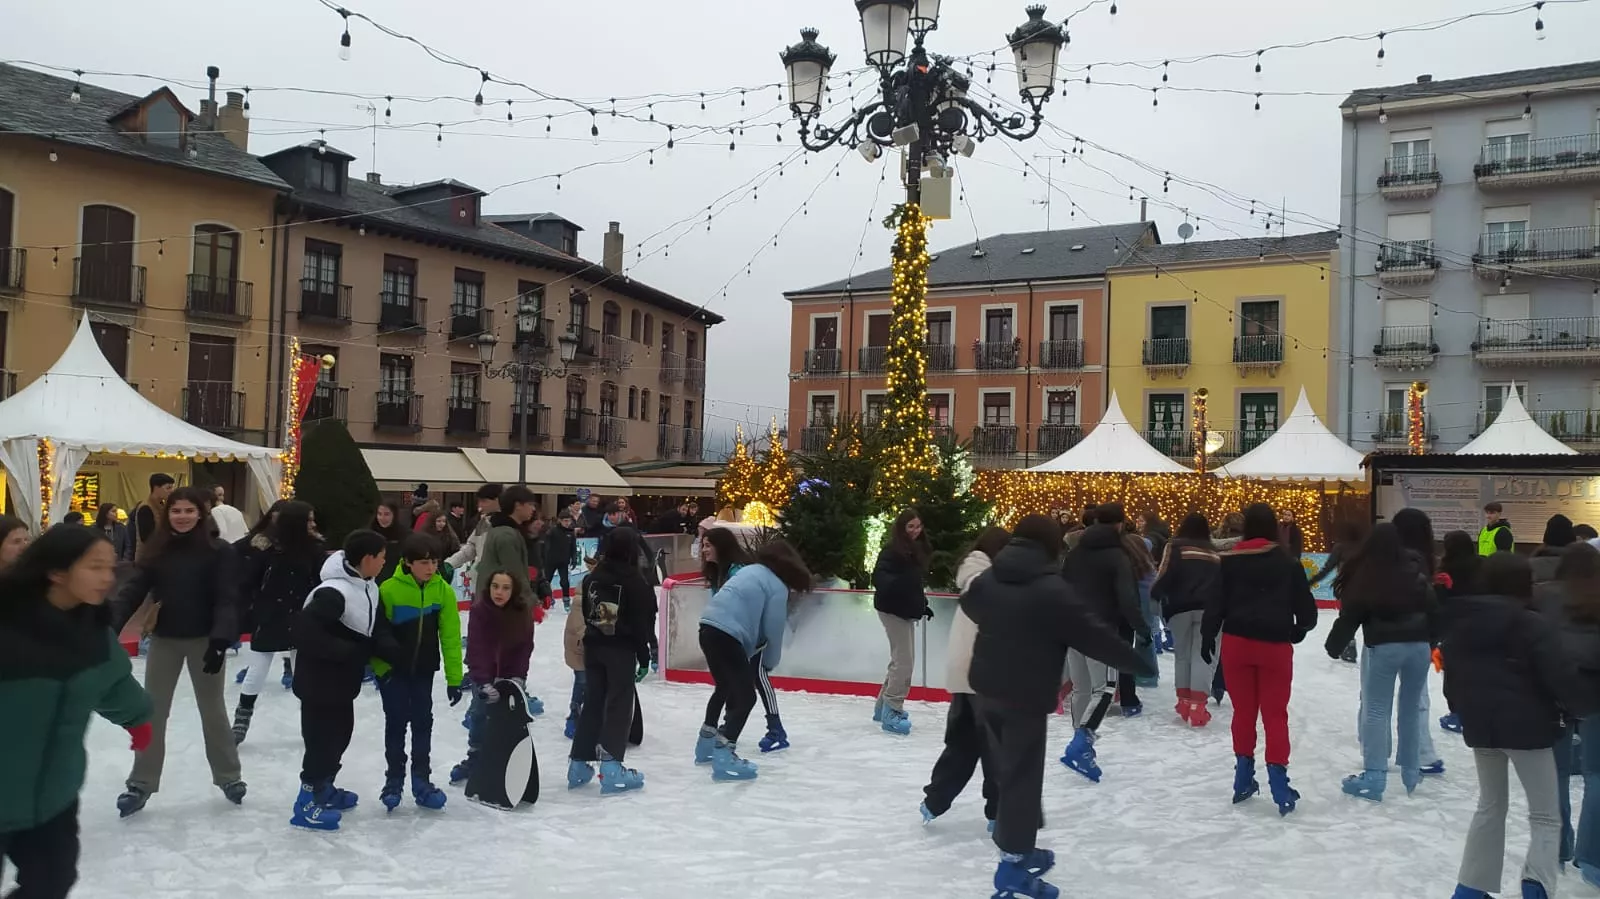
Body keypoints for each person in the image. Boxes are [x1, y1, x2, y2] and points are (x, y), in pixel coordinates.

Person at [962, 514, 1154, 899]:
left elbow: (970, 605)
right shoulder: (1050, 588)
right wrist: (1138, 661)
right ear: (1050, 546)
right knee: (1021, 779)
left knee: (1009, 774)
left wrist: (1006, 625)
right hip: (1024, 694)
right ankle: (1013, 868)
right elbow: (1094, 635)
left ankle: (1020, 847)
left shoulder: (992, 576)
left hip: (986, 688)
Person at [0, 526, 153, 898]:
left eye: (110, 567)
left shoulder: (93, 629)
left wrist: (138, 717)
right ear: (56, 571)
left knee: (53, 881)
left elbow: (113, 681)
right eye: (95, 567)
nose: (108, 578)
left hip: (52, 794)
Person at [1444, 552, 1588, 899]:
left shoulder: (1462, 621)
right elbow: (1559, 676)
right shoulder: (1531, 623)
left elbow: (1453, 680)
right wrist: (1577, 706)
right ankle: (1536, 888)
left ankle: (1469, 890)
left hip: (1483, 726)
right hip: (1530, 729)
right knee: (1545, 815)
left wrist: (1464, 710)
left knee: (1490, 805)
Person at [108, 486, 243, 817]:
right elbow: (133, 590)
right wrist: (110, 624)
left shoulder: (219, 551)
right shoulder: (158, 551)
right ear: (168, 515)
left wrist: (220, 639)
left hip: (205, 641)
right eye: (176, 511)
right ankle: (141, 782)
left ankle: (229, 776)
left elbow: (227, 597)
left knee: (212, 710)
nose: (182, 517)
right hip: (166, 639)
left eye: (189, 510)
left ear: (201, 514)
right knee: (152, 711)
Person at [1205, 502, 1317, 815]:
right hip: (1274, 646)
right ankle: (1279, 781)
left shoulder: (1229, 562)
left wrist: (1207, 636)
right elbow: (1306, 609)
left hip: (1237, 642)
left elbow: (1215, 604)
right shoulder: (1287, 562)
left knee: (1243, 712)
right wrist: (1300, 629)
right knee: (1275, 714)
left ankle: (1243, 775)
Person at [290, 530, 400, 831]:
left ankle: (324, 787)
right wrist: (348, 652)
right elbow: (303, 631)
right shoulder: (333, 592)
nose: (384, 563)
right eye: (382, 558)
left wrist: (393, 652)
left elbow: (375, 628)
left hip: (341, 683)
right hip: (318, 683)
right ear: (367, 559)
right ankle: (305, 802)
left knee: (341, 735)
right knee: (320, 741)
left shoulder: (367, 587)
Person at [1324, 521, 1437, 801]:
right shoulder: (1415, 569)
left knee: (1376, 710)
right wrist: (1431, 641)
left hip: (1385, 648)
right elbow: (1434, 607)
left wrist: (1333, 646)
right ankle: (1411, 771)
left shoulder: (1368, 574)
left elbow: (1351, 614)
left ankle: (1375, 776)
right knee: (1410, 709)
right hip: (1418, 647)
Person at [696, 539, 811, 782]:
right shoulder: (777, 586)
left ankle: (705, 745)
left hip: (707, 627)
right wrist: (770, 662)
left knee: (725, 687)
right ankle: (725, 754)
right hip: (728, 634)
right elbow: (773, 629)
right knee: (746, 696)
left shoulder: (749, 571)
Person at [920, 525, 1009, 828]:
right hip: (984, 674)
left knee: (964, 742)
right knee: (996, 747)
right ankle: (998, 812)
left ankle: (934, 801)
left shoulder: (979, 573)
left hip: (967, 673)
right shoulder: (983, 576)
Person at [373, 533, 464, 811]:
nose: (431, 568)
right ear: (408, 563)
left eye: (434, 562)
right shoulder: (388, 590)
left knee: (423, 723)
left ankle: (422, 780)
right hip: (394, 673)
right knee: (397, 723)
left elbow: (450, 637)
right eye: (424, 562)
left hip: (424, 672)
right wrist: (383, 670)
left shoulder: (442, 591)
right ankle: (394, 780)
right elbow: (376, 634)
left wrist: (454, 678)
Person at [1061, 499, 1147, 780]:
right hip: (1102, 630)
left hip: (1073, 626)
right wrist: (1141, 628)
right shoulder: (1117, 555)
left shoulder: (1075, 553)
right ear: (1121, 524)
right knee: (1106, 688)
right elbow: (1127, 597)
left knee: (1081, 687)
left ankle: (1079, 739)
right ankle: (1081, 742)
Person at [567, 527, 656, 794]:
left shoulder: (594, 577)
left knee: (594, 701)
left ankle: (579, 763)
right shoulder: (635, 581)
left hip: (594, 647)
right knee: (618, 703)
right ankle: (611, 765)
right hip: (620, 650)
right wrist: (644, 656)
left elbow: (586, 610)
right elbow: (642, 623)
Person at [232, 501, 323, 745]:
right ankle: (242, 716)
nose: (313, 524)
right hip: (269, 614)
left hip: (301, 616)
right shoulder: (267, 546)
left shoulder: (315, 548)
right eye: (309, 520)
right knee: (258, 668)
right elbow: (247, 578)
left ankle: (312, 722)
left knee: (304, 674)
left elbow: (320, 581)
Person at [700, 527, 789, 752]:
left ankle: (774, 726)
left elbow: (759, 611)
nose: (704, 550)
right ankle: (724, 730)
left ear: (722, 547)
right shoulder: (717, 572)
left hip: (750, 635)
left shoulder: (739, 570)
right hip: (733, 633)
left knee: (756, 676)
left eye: (708, 545)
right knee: (732, 684)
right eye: (703, 545)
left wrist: (759, 643)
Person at [1547, 544, 1600, 890]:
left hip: (1554, 695)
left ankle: (1558, 845)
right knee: (1597, 775)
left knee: (1557, 774)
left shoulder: (1546, 599)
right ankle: (1592, 856)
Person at [453, 570, 535, 786]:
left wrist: (518, 677)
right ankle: (475, 757)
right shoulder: (480, 611)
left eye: (506, 588)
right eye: (495, 586)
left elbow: (524, 648)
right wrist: (483, 681)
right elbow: (476, 648)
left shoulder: (521, 612)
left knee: (508, 721)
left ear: (514, 591)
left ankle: (505, 760)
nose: (499, 592)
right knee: (480, 714)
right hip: (484, 675)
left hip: (509, 677)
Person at [1390, 507, 1446, 777]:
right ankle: (1421, 751)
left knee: (1373, 698)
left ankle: (1372, 749)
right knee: (1416, 697)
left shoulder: (1381, 558)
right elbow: (1431, 606)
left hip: (1381, 638)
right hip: (1416, 638)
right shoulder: (1425, 561)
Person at [1153, 513, 1221, 726]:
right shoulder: (1214, 551)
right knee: (1203, 655)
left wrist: (1156, 596)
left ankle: (1183, 701)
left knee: (1182, 655)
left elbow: (1163, 573)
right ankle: (1198, 705)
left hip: (1178, 607)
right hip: (1209, 609)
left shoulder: (1174, 546)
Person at [872, 509, 931, 735]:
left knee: (901, 659)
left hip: (904, 610)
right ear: (901, 528)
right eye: (910, 527)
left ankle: (882, 708)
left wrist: (922, 605)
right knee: (904, 661)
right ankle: (892, 711)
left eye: (918, 526)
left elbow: (914, 585)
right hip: (892, 610)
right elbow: (879, 578)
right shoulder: (892, 551)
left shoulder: (914, 550)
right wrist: (901, 583)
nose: (915, 531)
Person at [1310, 521, 1364, 664]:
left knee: (1346, 617)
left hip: (1347, 588)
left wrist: (1312, 581)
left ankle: (1348, 646)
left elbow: (1327, 568)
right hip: (1365, 588)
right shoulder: (1366, 546)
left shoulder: (1341, 547)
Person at [446, 484, 503, 569]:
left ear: (496, 500)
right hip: (481, 576)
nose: (480, 505)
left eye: (484, 501)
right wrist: (450, 563)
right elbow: (472, 547)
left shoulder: (510, 524)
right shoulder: (483, 522)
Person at [131, 473, 176, 558]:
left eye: (172, 488)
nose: (171, 491)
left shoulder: (162, 505)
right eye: (168, 488)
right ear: (156, 488)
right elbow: (147, 539)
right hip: (147, 559)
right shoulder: (146, 508)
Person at [544, 509, 580, 612]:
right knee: (547, 581)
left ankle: (566, 600)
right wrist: (545, 557)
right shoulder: (552, 531)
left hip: (563, 561)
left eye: (569, 521)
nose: (567, 523)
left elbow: (573, 548)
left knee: (565, 582)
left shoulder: (570, 532)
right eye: (565, 521)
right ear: (560, 520)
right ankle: (547, 598)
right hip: (551, 561)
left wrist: (574, 559)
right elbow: (546, 545)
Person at [369, 501, 407, 584]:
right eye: (379, 514)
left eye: (386, 514)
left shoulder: (404, 534)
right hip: (374, 578)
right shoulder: (369, 533)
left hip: (397, 578)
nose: (382, 518)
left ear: (394, 515)